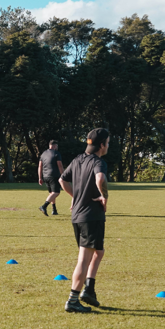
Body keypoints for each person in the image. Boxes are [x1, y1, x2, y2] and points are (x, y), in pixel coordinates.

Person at [59, 128, 110, 313]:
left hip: (78, 216)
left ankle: (89, 289)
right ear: (102, 144)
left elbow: (62, 180)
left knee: (99, 251)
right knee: (84, 258)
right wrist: (104, 195)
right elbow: (100, 178)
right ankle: (72, 300)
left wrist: (76, 196)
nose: (108, 146)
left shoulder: (78, 159)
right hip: (91, 216)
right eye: (108, 142)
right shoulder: (99, 162)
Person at [38, 140, 64, 216]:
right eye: (57, 146)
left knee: (51, 193)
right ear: (55, 146)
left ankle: (54, 210)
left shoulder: (43, 154)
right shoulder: (56, 153)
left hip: (45, 176)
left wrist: (40, 177)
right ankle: (44, 206)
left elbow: (40, 166)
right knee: (56, 192)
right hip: (54, 175)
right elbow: (60, 166)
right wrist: (63, 176)